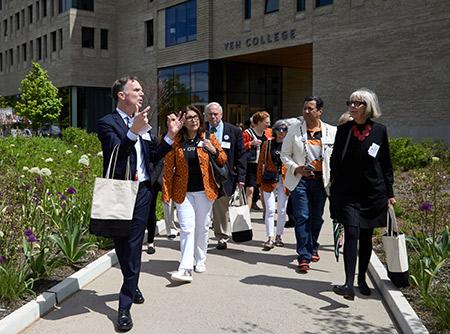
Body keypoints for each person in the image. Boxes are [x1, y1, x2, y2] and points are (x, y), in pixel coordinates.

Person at [96, 75, 184, 331]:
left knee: (134, 245)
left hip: (143, 191)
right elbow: (117, 152)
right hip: (119, 191)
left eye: (142, 90)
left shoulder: (143, 125)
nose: (141, 93)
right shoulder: (107, 123)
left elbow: (153, 156)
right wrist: (133, 130)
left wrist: (169, 136)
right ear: (121, 95)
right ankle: (132, 284)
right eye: (136, 89)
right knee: (122, 244)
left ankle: (124, 307)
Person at [330, 88, 395, 300]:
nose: (352, 106)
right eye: (350, 102)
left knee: (366, 237)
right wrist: (335, 186)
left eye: (357, 103)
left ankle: (361, 280)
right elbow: (335, 161)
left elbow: (386, 164)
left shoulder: (380, 131)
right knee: (351, 233)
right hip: (348, 192)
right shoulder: (344, 130)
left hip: (373, 193)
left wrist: (390, 192)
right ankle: (348, 283)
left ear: (367, 107)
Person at [162, 105, 227, 282]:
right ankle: (185, 266)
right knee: (187, 228)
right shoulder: (176, 142)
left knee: (203, 227)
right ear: (183, 121)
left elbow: (222, 159)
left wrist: (213, 150)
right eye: (190, 117)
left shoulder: (208, 137)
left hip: (205, 191)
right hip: (183, 192)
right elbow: (168, 169)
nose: (194, 120)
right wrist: (166, 194)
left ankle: (200, 259)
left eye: (196, 116)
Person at [281, 96, 336, 273]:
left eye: (310, 108)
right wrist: (297, 168)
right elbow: (285, 155)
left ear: (320, 111)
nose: (306, 111)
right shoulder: (294, 131)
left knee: (317, 217)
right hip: (301, 181)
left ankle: (313, 245)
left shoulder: (331, 131)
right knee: (302, 216)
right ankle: (304, 255)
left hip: (322, 181)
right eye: (305, 108)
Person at [205, 102, 246, 250]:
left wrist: (241, 178)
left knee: (221, 207)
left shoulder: (233, 131)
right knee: (204, 208)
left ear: (221, 115)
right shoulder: (201, 131)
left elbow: (241, 156)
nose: (213, 116)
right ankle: (201, 236)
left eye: (216, 114)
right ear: (206, 115)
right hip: (205, 175)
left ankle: (221, 237)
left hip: (225, 176)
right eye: (210, 114)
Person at [257, 120, 289, 250]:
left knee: (282, 210)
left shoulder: (289, 144)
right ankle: (270, 237)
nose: (281, 133)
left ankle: (279, 235)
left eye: (284, 130)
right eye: (279, 130)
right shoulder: (268, 143)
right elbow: (261, 163)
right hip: (269, 180)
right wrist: (259, 181)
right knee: (270, 210)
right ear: (275, 130)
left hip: (285, 180)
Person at [242, 111, 272, 210]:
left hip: (264, 165)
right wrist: (250, 143)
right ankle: (246, 216)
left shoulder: (268, 133)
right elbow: (240, 148)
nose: (269, 124)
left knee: (263, 190)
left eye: (269, 122)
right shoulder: (247, 133)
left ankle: (266, 214)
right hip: (251, 165)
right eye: (266, 122)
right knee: (250, 190)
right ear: (259, 122)